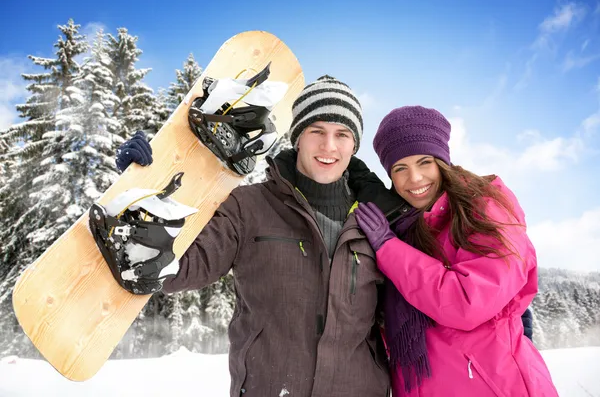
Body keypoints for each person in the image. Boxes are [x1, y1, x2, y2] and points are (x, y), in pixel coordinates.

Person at [114, 75, 405, 397]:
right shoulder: (248, 206)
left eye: (342, 134)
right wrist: (138, 195)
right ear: (298, 138)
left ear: (354, 144)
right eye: (316, 131)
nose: (329, 146)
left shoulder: (381, 220)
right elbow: (178, 271)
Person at [354, 105, 558, 396]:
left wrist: (389, 249)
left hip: (493, 384)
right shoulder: (408, 225)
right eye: (400, 168)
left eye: (424, 162)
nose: (414, 179)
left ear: (442, 161)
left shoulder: (485, 209)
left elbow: (466, 302)